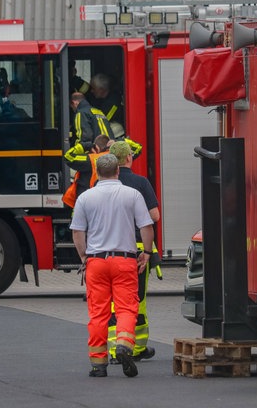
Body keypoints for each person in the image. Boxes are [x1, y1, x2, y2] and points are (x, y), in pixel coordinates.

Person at [70, 154, 154, 378]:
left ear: (96, 172)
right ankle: (125, 346)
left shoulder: (86, 197)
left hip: (96, 261)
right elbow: (146, 225)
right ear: (118, 170)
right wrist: (146, 253)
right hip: (125, 260)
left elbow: (77, 232)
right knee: (127, 308)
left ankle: (98, 365)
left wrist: (83, 257)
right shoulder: (132, 194)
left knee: (98, 313)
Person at [107, 141, 161, 365]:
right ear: (129, 158)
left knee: (112, 303)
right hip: (137, 251)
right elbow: (154, 216)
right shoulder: (140, 183)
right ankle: (136, 347)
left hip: (108, 252)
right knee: (137, 301)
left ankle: (113, 349)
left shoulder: (102, 185)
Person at [62, 134, 112, 208]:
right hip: (108, 200)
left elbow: (68, 156)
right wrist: (118, 142)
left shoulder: (90, 160)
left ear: (97, 148)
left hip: (88, 201)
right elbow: (135, 148)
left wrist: (85, 146)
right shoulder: (117, 157)